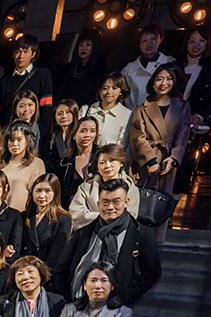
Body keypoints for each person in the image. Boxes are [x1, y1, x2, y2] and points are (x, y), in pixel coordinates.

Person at [57, 178, 160, 305]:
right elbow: (62, 268)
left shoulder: (141, 234)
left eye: (116, 202)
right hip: (80, 301)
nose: (110, 207)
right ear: (98, 204)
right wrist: (68, 297)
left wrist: (125, 298)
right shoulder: (84, 232)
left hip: (116, 305)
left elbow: (151, 273)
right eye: (105, 202)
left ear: (126, 202)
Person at [126, 63, 190, 212]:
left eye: (169, 79)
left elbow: (183, 136)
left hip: (168, 162)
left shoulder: (182, 106)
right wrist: (150, 161)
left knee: (161, 206)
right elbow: (137, 137)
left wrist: (173, 158)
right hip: (147, 162)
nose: (163, 83)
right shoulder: (142, 108)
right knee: (141, 204)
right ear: (153, 82)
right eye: (159, 79)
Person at [68, 143, 140, 230]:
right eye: (102, 162)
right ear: (97, 167)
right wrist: (106, 217)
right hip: (90, 233)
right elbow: (76, 215)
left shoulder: (132, 189)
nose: (107, 165)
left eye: (112, 160)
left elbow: (130, 216)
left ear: (121, 163)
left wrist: (98, 217)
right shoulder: (85, 187)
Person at [0, 34, 53, 136]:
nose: (21, 56)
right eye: (18, 51)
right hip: (8, 132)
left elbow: (46, 108)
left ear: (33, 54)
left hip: (32, 133)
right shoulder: (5, 80)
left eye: (25, 51)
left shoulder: (42, 75)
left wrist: (41, 135)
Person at [21, 176, 73, 281]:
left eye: (47, 191)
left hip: (49, 276)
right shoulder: (23, 216)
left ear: (55, 192)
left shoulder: (64, 218)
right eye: (38, 190)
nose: (42, 195)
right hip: (25, 274)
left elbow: (57, 253)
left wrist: (41, 275)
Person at [0, 123, 47, 214]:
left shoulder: (36, 163)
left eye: (19, 139)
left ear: (27, 140)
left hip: (22, 215)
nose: (15, 144)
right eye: (11, 140)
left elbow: (39, 193)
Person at [120, 24, 173, 109]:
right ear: (139, 44)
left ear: (160, 40)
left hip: (164, 115)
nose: (149, 44)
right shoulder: (129, 69)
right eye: (144, 41)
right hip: (135, 115)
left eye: (153, 39)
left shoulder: (170, 63)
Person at [81, 73, 132, 150]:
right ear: (99, 90)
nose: (109, 92)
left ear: (121, 91)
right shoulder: (85, 110)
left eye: (114, 88)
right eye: (105, 88)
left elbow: (122, 145)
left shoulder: (127, 115)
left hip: (111, 156)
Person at [56, 32, 105, 109]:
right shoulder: (69, 67)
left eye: (88, 45)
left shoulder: (99, 70)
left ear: (94, 47)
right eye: (81, 45)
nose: (83, 48)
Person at [59, 115, 100, 207]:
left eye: (92, 131)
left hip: (96, 209)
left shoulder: (101, 157)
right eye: (83, 131)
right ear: (73, 135)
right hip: (71, 209)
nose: (87, 135)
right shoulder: (65, 162)